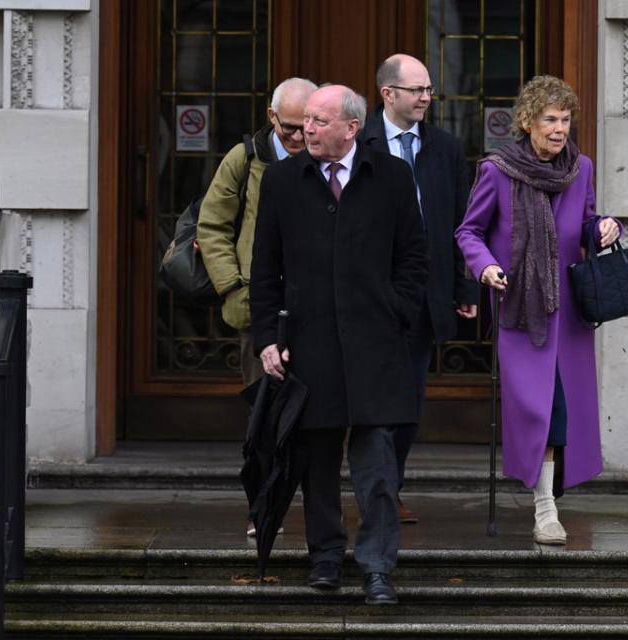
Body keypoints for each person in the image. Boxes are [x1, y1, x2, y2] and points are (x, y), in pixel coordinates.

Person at [250, 85, 428, 605]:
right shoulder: (282, 179)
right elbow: (266, 271)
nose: (307, 129)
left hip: (376, 347)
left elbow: (415, 259)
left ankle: (377, 568)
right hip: (308, 346)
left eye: (319, 121)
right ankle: (325, 559)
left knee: (377, 469)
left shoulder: (391, 176)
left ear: (352, 128)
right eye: (305, 120)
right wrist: (268, 339)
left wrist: (396, 311)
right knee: (317, 465)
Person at [455, 75, 622, 546]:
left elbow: (586, 221)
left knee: (563, 408)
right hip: (520, 306)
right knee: (538, 407)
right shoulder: (497, 170)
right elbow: (469, 231)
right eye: (550, 119)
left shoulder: (580, 168)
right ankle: (544, 509)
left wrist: (606, 228)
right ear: (527, 122)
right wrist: (485, 268)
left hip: (568, 311)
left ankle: (548, 503)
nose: (559, 129)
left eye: (565, 120)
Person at [360, 53, 479, 524]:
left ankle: (391, 488)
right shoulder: (361, 142)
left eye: (429, 90)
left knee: (408, 403)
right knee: (373, 401)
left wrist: (465, 288)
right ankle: (375, 492)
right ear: (388, 94)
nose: (427, 98)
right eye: (417, 90)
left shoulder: (446, 148)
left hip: (424, 298)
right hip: (370, 299)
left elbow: (460, 221)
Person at [197, 77, 317, 538]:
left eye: (308, 125)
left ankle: (312, 505)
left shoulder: (324, 157)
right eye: (291, 128)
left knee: (315, 414)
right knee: (264, 414)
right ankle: (264, 508)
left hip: (313, 310)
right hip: (258, 310)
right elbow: (212, 226)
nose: (300, 136)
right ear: (272, 119)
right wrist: (233, 289)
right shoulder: (244, 158)